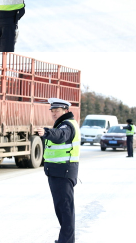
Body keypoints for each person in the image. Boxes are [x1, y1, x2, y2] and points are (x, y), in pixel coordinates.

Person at [35, 98, 79, 243]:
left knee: (65, 210)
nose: (54, 114)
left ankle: (66, 241)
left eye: (57, 111)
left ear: (65, 110)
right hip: (58, 172)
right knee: (62, 209)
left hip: (63, 172)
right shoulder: (62, 124)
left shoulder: (67, 126)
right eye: (52, 111)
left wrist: (46, 132)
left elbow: (61, 136)